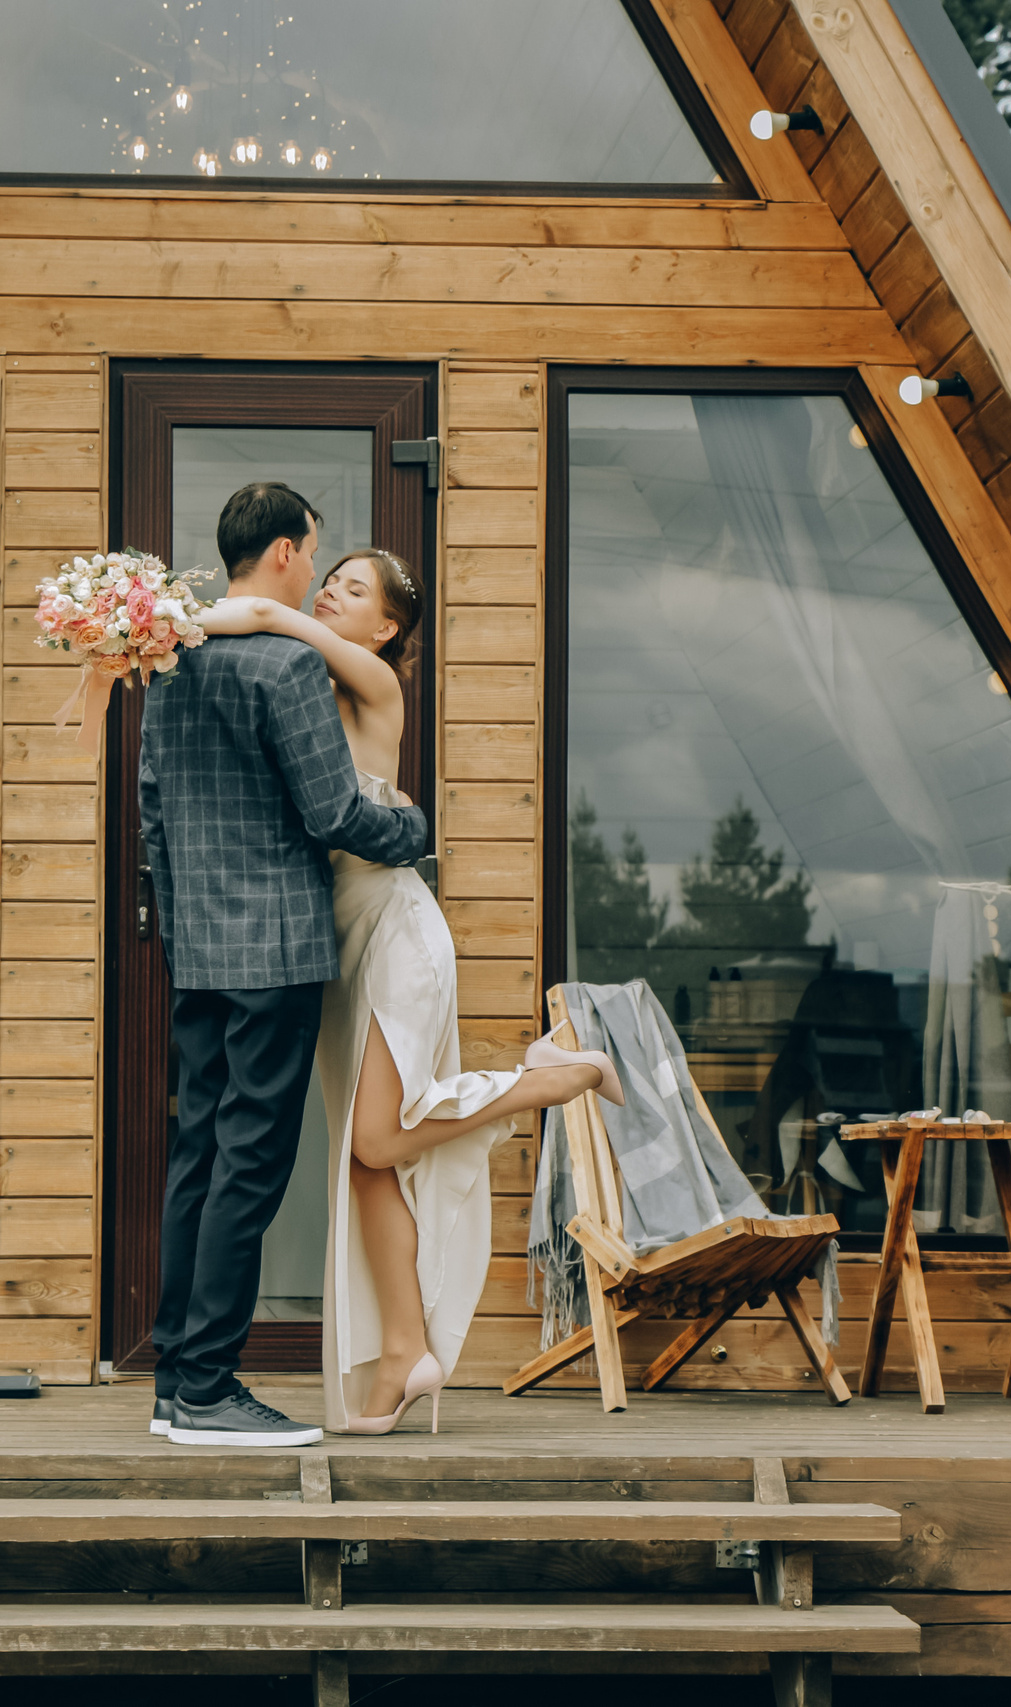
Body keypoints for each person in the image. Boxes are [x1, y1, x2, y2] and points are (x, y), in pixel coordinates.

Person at [202, 549, 622, 1436]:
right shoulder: (306, 690)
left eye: (353, 591)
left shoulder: (374, 683)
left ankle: (553, 1075)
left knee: (379, 1136)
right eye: (332, 580)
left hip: (395, 930)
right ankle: (403, 1350)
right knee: (365, 1163)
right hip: (341, 945)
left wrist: (157, 625)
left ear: (386, 627)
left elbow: (272, 618)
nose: (330, 594)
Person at [140, 483, 431, 1448]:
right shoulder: (285, 668)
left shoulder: (171, 660)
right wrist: (416, 827)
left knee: (196, 1157)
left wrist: (178, 925)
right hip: (273, 946)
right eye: (313, 550)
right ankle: (214, 1387)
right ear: (281, 552)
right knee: (251, 1161)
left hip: (198, 948)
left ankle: (175, 1382)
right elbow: (334, 814)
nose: (315, 567)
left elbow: (152, 812)